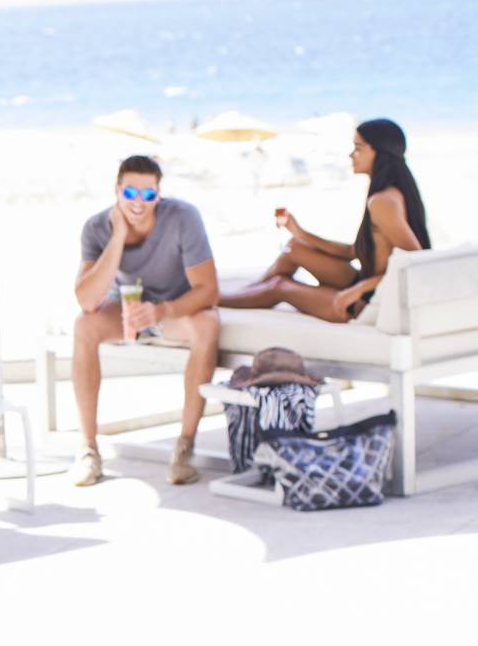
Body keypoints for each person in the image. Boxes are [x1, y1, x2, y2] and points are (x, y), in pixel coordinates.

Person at [70, 154, 220, 487]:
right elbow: (87, 299)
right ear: (117, 190)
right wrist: (118, 237)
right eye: (130, 193)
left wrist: (162, 311)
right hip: (128, 309)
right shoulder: (97, 228)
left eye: (149, 195)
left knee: (208, 324)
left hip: (174, 310)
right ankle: (88, 449)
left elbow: (208, 290)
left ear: (159, 194)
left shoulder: (183, 218)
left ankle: (184, 447)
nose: (139, 202)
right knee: (84, 325)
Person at [220, 118, 429, 323]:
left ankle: (218, 299)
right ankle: (237, 296)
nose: (351, 155)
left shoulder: (382, 201)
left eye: (358, 148)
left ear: (380, 154)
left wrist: (357, 290)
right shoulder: (391, 192)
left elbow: (415, 262)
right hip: (367, 285)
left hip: (366, 301)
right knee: (295, 247)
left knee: (279, 286)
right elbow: (354, 252)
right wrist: (300, 233)